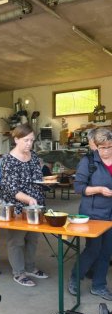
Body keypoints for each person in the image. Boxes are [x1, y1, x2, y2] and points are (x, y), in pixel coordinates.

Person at [0, 124, 49, 287]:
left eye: (32, 140)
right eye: (26, 140)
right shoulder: (8, 160)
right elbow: (10, 188)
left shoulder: (33, 156)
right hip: (17, 207)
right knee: (17, 241)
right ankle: (19, 273)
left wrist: (45, 186)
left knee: (33, 239)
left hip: (35, 206)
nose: (29, 144)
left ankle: (29, 267)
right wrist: (28, 199)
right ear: (16, 139)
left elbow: (37, 177)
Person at [68, 127, 112, 300]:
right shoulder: (89, 161)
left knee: (107, 251)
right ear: (96, 146)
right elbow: (78, 187)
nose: (107, 151)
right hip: (93, 213)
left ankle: (99, 285)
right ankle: (74, 277)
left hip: (111, 214)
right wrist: (99, 189)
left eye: (110, 146)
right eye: (103, 148)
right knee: (93, 249)